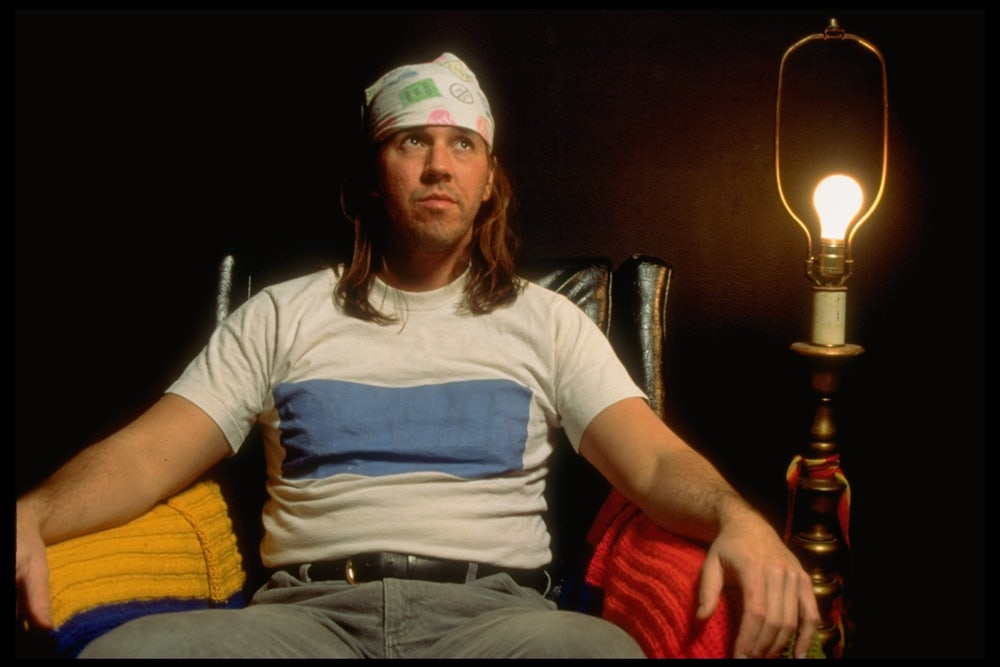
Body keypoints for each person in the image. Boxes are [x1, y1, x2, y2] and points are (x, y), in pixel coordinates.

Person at [15, 52, 819, 659]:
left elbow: (654, 463)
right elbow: (146, 455)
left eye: (461, 144)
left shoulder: (548, 321)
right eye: (412, 141)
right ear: (374, 174)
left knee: (599, 653)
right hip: (305, 619)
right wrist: (32, 513)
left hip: (499, 621)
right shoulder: (280, 314)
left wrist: (738, 518)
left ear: (488, 180)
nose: (439, 164)